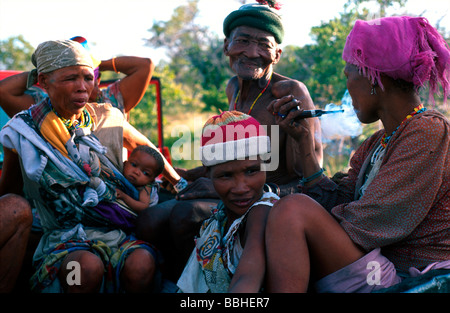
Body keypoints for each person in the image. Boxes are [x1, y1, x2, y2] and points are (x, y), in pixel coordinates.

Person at [136, 0, 323, 279]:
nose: (251, 52)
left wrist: (223, 186)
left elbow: (310, 181)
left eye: (263, 44)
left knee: (185, 216)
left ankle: (202, 285)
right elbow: (232, 155)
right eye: (243, 41)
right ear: (226, 46)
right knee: (148, 219)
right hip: (232, 191)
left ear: (278, 54)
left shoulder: (289, 93)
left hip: (269, 199)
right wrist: (186, 174)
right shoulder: (233, 87)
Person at [265, 16, 450, 293]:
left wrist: (305, 219)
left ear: (373, 76)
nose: (346, 81)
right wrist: (303, 140)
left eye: (349, 71)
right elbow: (339, 199)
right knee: (277, 210)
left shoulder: (427, 132)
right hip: (378, 266)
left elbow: (374, 219)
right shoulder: (378, 142)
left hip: (408, 279)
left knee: (292, 211)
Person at [0, 39, 163, 293]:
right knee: (82, 271)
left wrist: (177, 180)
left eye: (88, 77)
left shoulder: (106, 117)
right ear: (43, 82)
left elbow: (145, 151)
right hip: (65, 238)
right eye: (70, 78)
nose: (82, 88)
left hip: (116, 234)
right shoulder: (23, 131)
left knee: (141, 265)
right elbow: (10, 188)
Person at [177, 111, 279, 293]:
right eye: (226, 175)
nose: (241, 188)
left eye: (251, 171)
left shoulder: (261, 212)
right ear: (207, 173)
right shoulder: (222, 216)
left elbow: (247, 280)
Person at [116, 145, 164, 213]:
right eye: (134, 165)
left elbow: (143, 207)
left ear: (151, 180)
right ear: (125, 163)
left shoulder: (146, 187)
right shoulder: (118, 171)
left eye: (145, 173)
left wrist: (124, 197)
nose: (136, 172)